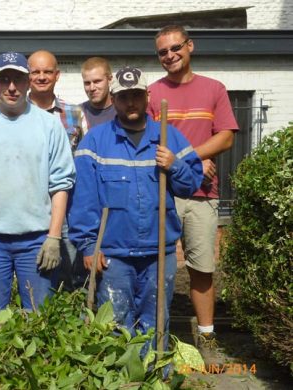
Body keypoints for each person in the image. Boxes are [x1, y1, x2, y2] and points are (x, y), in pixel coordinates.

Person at [68, 66, 202, 340]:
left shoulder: (168, 137)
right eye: (123, 96)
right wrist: (88, 246)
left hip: (158, 251)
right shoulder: (95, 142)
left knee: (156, 322)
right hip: (113, 255)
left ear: (147, 97)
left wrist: (174, 165)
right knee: (115, 325)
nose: (130, 102)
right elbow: (84, 201)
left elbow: (191, 185)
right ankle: (121, 382)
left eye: (136, 95)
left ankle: (155, 377)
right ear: (113, 99)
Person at [0, 52, 75, 310]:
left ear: (28, 82)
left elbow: (61, 185)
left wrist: (54, 238)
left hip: (37, 241)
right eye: (5, 79)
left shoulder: (49, 127)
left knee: (39, 321)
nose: (11, 87)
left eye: (18, 79)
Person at [147, 25, 239, 364]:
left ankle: (207, 336)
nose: (170, 55)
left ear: (190, 46)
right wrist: (192, 161)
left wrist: (190, 158)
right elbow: (149, 141)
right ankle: (156, 333)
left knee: (201, 268)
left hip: (202, 193)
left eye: (175, 48)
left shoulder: (214, 89)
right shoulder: (152, 93)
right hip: (163, 193)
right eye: (162, 52)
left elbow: (226, 137)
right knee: (157, 266)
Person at [27, 49, 83, 291]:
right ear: (27, 76)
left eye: (47, 71)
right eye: (35, 72)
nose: (41, 77)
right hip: (28, 208)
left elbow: (83, 162)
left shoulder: (74, 114)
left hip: (68, 208)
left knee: (71, 274)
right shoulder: (13, 114)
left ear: (57, 75)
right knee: (34, 276)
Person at [80, 56, 116, 130]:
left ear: (109, 80)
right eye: (87, 83)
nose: (92, 88)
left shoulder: (123, 110)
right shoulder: (77, 114)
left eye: (97, 81)